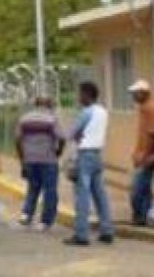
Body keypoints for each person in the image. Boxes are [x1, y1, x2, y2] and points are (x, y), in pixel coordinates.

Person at [64, 81, 114, 246]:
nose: (78, 97)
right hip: (97, 154)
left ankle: (81, 234)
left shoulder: (86, 112)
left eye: (80, 94)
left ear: (86, 95)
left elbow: (71, 133)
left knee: (82, 195)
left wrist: (76, 135)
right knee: (100, 194)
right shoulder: (103, 112)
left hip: (84, 154)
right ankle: (107, 230)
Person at [15, 96, 65, 231]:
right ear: (49, 105)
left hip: (30, 158)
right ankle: (45, 221)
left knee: (32, 187)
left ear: (35, 105)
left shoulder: (24, 119)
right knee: (50, 190)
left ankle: (26, 214)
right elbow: (62, 137)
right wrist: (59, 151)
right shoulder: (51, 119)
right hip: (48, 159)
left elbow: (18, 140)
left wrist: (22, 159)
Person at [127, 80, 154, 226]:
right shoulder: (143, 109)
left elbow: (153, 134)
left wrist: (145, 155)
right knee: (144, 188)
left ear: (143, 93)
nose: (133, 96)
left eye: (135, 93)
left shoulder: (151, 109)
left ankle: (139, 214)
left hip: (148, 156)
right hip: (143, 154)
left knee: (136, 188)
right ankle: (143, 216)